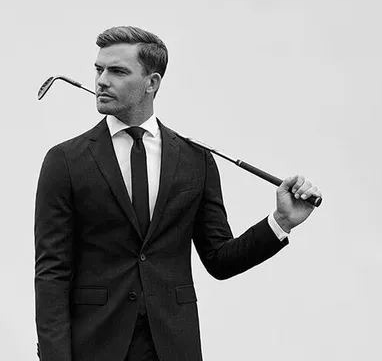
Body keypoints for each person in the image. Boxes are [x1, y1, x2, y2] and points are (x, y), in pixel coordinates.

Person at [34, 26, 322, 361]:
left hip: (173, 347)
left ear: (152, 82)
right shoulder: (65, 161)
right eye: (99, 69)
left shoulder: (195, 159)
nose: (101, 81)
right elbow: (51, 271)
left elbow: (220, 259)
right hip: (94, 347)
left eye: (117, 71)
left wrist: (281, 222)